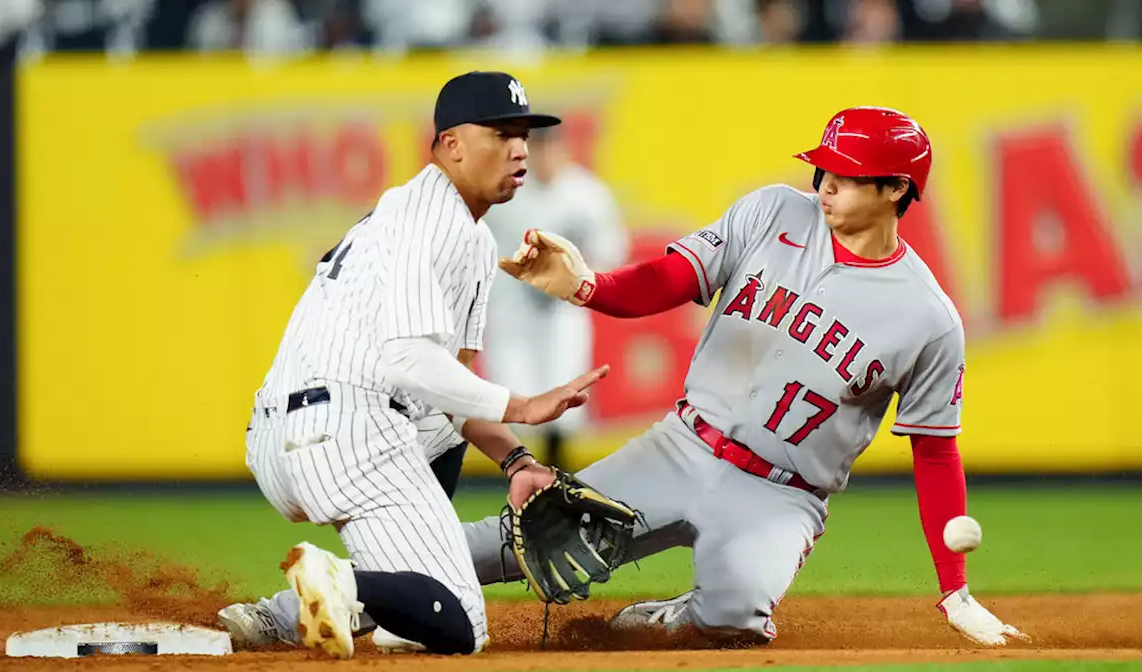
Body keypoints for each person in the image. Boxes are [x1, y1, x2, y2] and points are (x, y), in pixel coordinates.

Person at [460, 106, 1029, 648]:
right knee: (516, 541)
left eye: (848, 176)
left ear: (897, 188)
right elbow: (673, 277)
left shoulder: (928, 318)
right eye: (823, 168)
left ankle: (675, 617)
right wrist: (590, 288)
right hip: (681, 449)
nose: (826, 184)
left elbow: (935, 453)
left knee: (732, 618)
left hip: (780, 498)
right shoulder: (773, 212)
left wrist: (955, 589)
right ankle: (377, 575)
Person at [217, 70, 609, 659]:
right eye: (501, 133)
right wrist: (524, 407)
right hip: (345, 430)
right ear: (450, 144)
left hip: (296, 432)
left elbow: (452, 391)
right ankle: (340, 583)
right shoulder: (423, 215)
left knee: (438, 425)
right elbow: (407, 360)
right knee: (461, 628)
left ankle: (295, 612)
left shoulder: (468, 235)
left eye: (524, 134)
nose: (520, 148)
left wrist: (517, 460)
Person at [483, 126, 627, 470]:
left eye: (552, 146)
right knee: (513, 394)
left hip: (562, 312)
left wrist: (572, 275)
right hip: (512, 311)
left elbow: (611, 252)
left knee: (565, 392)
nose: (546, 155)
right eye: (540, 147)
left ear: (564, 148)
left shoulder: (587, 194)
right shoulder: (506, 189)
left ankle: (555, 476)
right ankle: (523, 472)